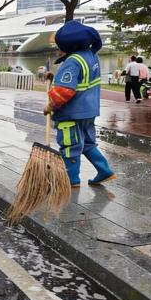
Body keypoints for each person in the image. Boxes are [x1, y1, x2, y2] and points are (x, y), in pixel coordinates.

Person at [43, 20, 117, 187]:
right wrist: (54, 77)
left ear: (68, 44)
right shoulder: (92, 56)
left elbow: (64, 92)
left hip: (71, 114)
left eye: (59, 45)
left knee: (70, 146)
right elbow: (80, 81)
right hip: (89, 112)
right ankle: (104, 170)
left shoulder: (72, 61)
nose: (57, 48)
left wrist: (49, 106)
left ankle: (71, 180)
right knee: (88, 144)